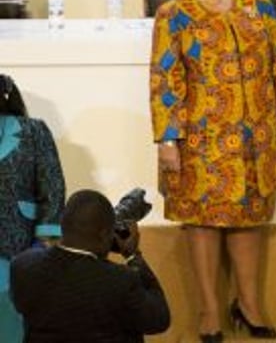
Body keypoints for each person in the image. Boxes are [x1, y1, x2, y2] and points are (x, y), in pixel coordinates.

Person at [150, 0, 276, 341]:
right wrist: (168, 140)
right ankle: (209, 315)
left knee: (249, 220)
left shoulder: (257, 0)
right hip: (200, 139)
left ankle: (250, 308)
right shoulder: (174, 14)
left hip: (256, 135)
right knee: (202, 223)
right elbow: (165, 79)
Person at [10, 188, 170, 343]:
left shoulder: (23, 266)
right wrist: (134, 256)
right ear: (103, 235)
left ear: (63, 226)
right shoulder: (120, 281)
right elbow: (159, 319)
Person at [0, 74, 66, 340]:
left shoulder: (33, 131)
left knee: (12, 325)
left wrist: (44, 244)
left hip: (21, 246)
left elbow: (53, 186)